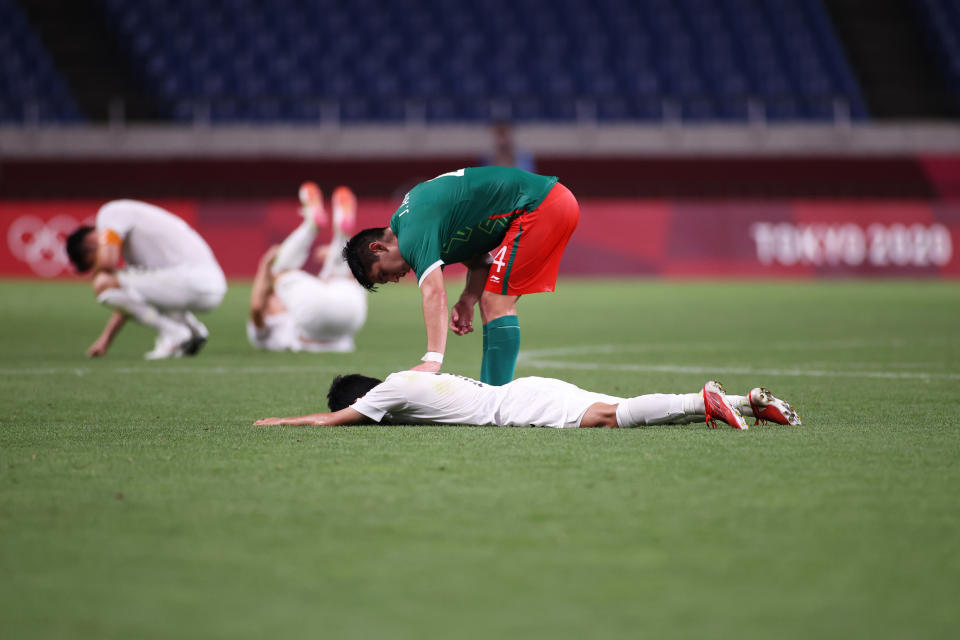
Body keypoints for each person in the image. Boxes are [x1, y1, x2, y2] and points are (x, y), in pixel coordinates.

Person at [342, 166, 579, 386]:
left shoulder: (412, 232)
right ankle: (493, 395)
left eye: (384, 274)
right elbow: (481, 262)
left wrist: (433, 359)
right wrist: (467, 299)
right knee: (491, 301)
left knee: (496, 302)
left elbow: (434, 292)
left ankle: (497, 401)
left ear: (378, 248)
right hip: (548, 201)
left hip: (541, 205)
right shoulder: (416, 221)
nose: (395, 279)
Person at [254, 373, 802, 430]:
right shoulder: (407, 378)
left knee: (612, 419)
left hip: (516, 407)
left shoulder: (388, 393)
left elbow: (333, 420)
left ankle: (701, 397)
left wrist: (283, 419)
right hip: (526, 390)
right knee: (624, 409)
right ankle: (746, 400)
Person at [65, 199, 226, 359]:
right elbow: (130, 300)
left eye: (92, 261)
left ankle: (174, 333)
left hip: (189, 279)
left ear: (88, 246)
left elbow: (107, 263)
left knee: (102, 282)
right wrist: (105, 340)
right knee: (128, 287)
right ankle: (191, 330)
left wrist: (98, 272)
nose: (96, 264)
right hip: (209, 285)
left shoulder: (109, 215)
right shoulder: (134, 242)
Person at [247, 182, 367, 352]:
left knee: (287, 271)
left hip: (343, 317)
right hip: (352, 314)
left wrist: (266, 267)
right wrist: (264, 267)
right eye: (272, 297)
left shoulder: (293, 312)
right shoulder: (268, 328)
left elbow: (322, 297)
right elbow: (257, 308)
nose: (278, 298)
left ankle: (321, 229)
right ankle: (335, 235)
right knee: (332, 276)